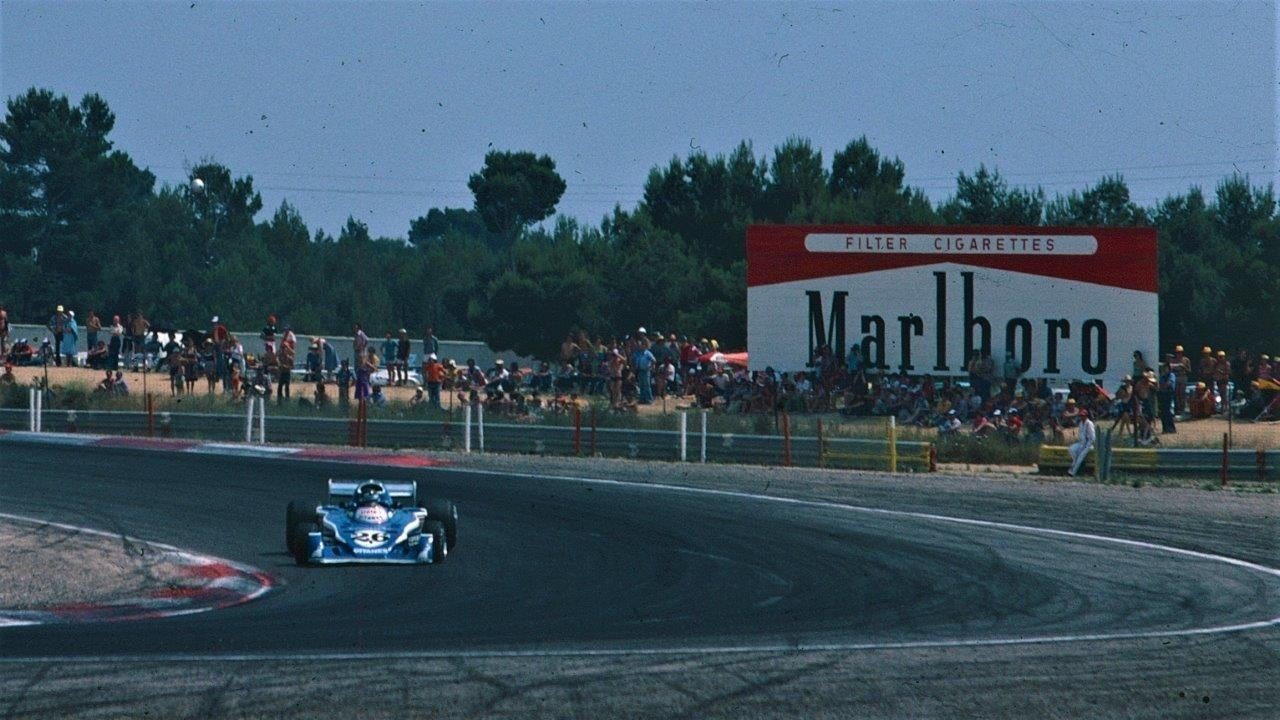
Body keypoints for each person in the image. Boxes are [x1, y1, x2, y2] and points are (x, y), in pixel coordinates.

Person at [1067, 408, 1096, 477]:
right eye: (1081, 415)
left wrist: (1086, 445)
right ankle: (1075, 461)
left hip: (1088, 444)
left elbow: (1092, 438)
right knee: (1071, 449)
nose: (1082, 417)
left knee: (1080, 457)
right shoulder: (1080, 423)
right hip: (1081, 443)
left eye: (1083, 415)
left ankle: (1072, 472)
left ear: (1086, 416)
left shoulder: (1089, 424)